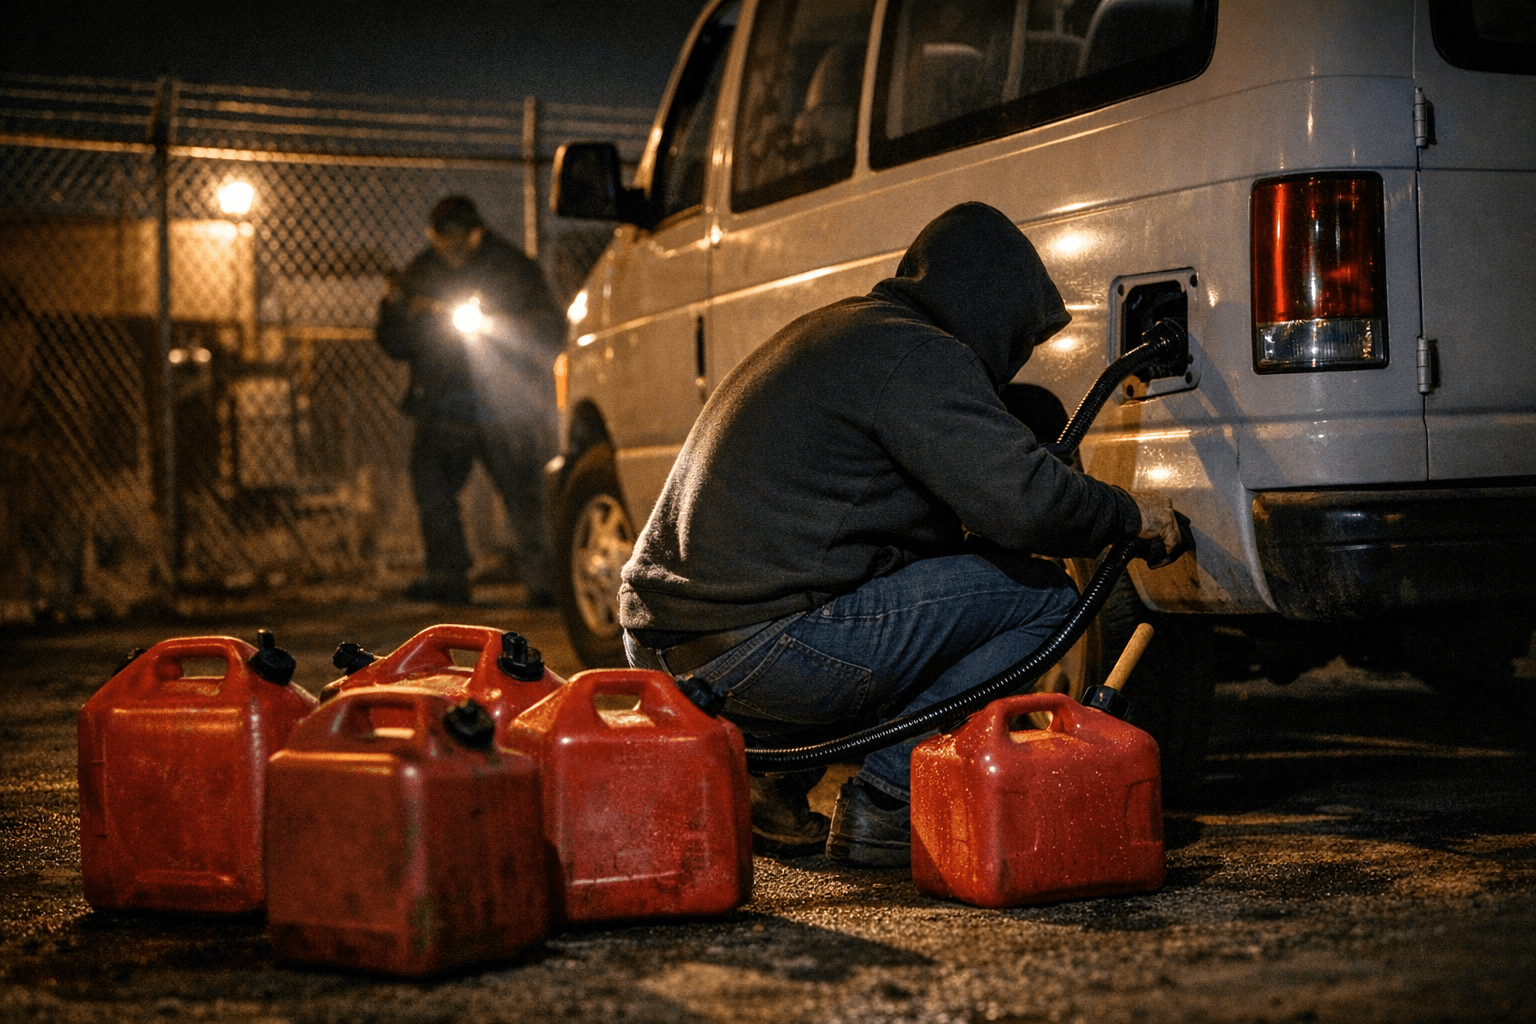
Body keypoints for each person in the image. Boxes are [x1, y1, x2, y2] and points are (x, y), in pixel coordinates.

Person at [619, 202, 1184, 866]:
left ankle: (764, 781)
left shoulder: (847, 332)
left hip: (665, 655)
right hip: (756, 658)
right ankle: (890, 798)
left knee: (893, 594)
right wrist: (1126, 515)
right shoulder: (920, 354)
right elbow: (1027, 505)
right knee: (1045, 600)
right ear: (993, 313)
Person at [375, 195, 564, 606]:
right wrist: (397, 309)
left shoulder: (511, 268)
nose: (453, 247)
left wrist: (500, 322)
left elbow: (549, 328)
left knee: (523, 491)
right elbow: (394, 342)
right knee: (432, 488)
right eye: (444, 239)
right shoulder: (420, 273)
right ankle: (447, 577)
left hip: (503, 401)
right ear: (433, 236)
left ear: (476, 232)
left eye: (462, 238)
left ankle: (546, 581)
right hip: (443, 403)